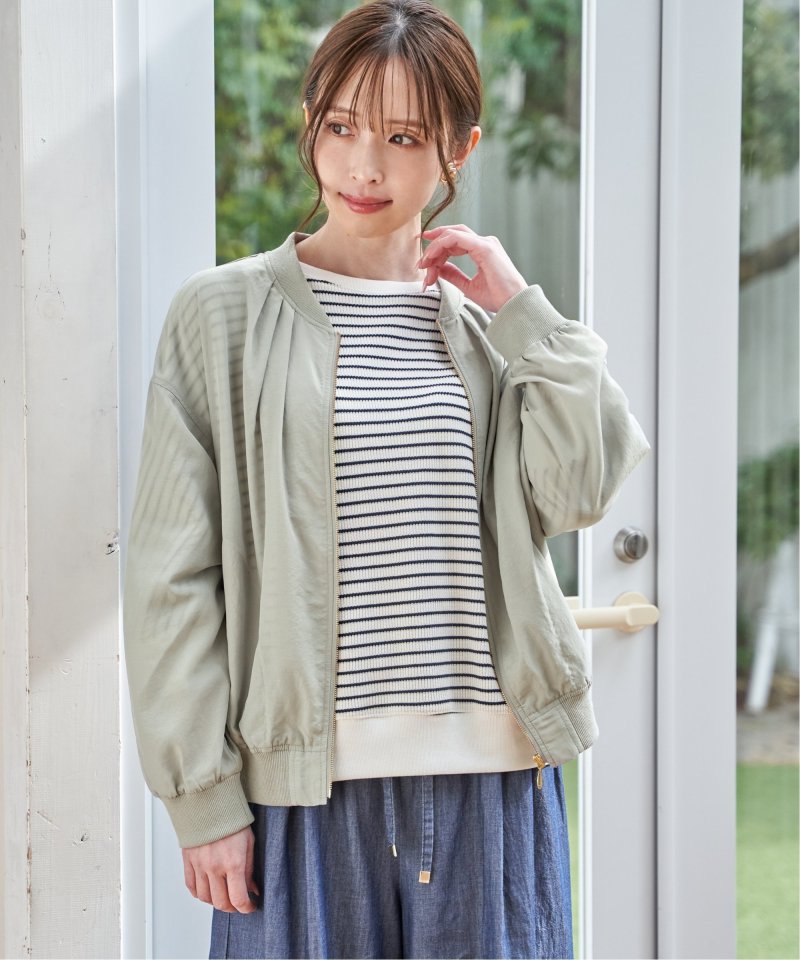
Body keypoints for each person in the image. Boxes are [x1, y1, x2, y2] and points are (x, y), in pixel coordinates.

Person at [123, 1, 651, 957]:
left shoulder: (488, 329)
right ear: (311, 124)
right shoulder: (220, 316)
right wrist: (202, 798)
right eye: (341, 127)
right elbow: (170, 579)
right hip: (300, 794)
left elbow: (579, 490)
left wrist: (526, 315)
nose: (364, 166)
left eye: (404, 138)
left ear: (459, 149)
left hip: (493, 780)